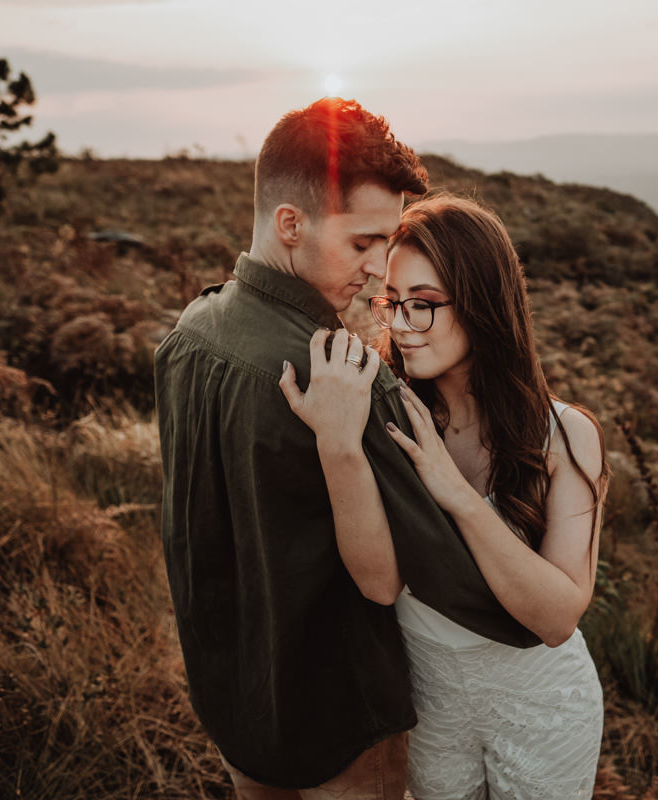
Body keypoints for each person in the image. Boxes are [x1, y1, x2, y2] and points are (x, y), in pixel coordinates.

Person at [154, 100, 537, 799]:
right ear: (290, 224)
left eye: (386, 243)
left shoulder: (190, 333)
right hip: (337, 714)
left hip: (232, 696)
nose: (377, 269)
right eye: (362, 242)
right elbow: (453, 582)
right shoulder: (345, 379)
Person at [281, 194, 610, 799]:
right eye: (392, 302)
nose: (401, 326)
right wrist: (338, 442)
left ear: (483, 303)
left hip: (542, 708)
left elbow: (558, 617)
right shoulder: (384, 413)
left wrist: (454, 492)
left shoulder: (565, 436)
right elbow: (380, 584)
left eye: (424, 304)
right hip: (433, 702)